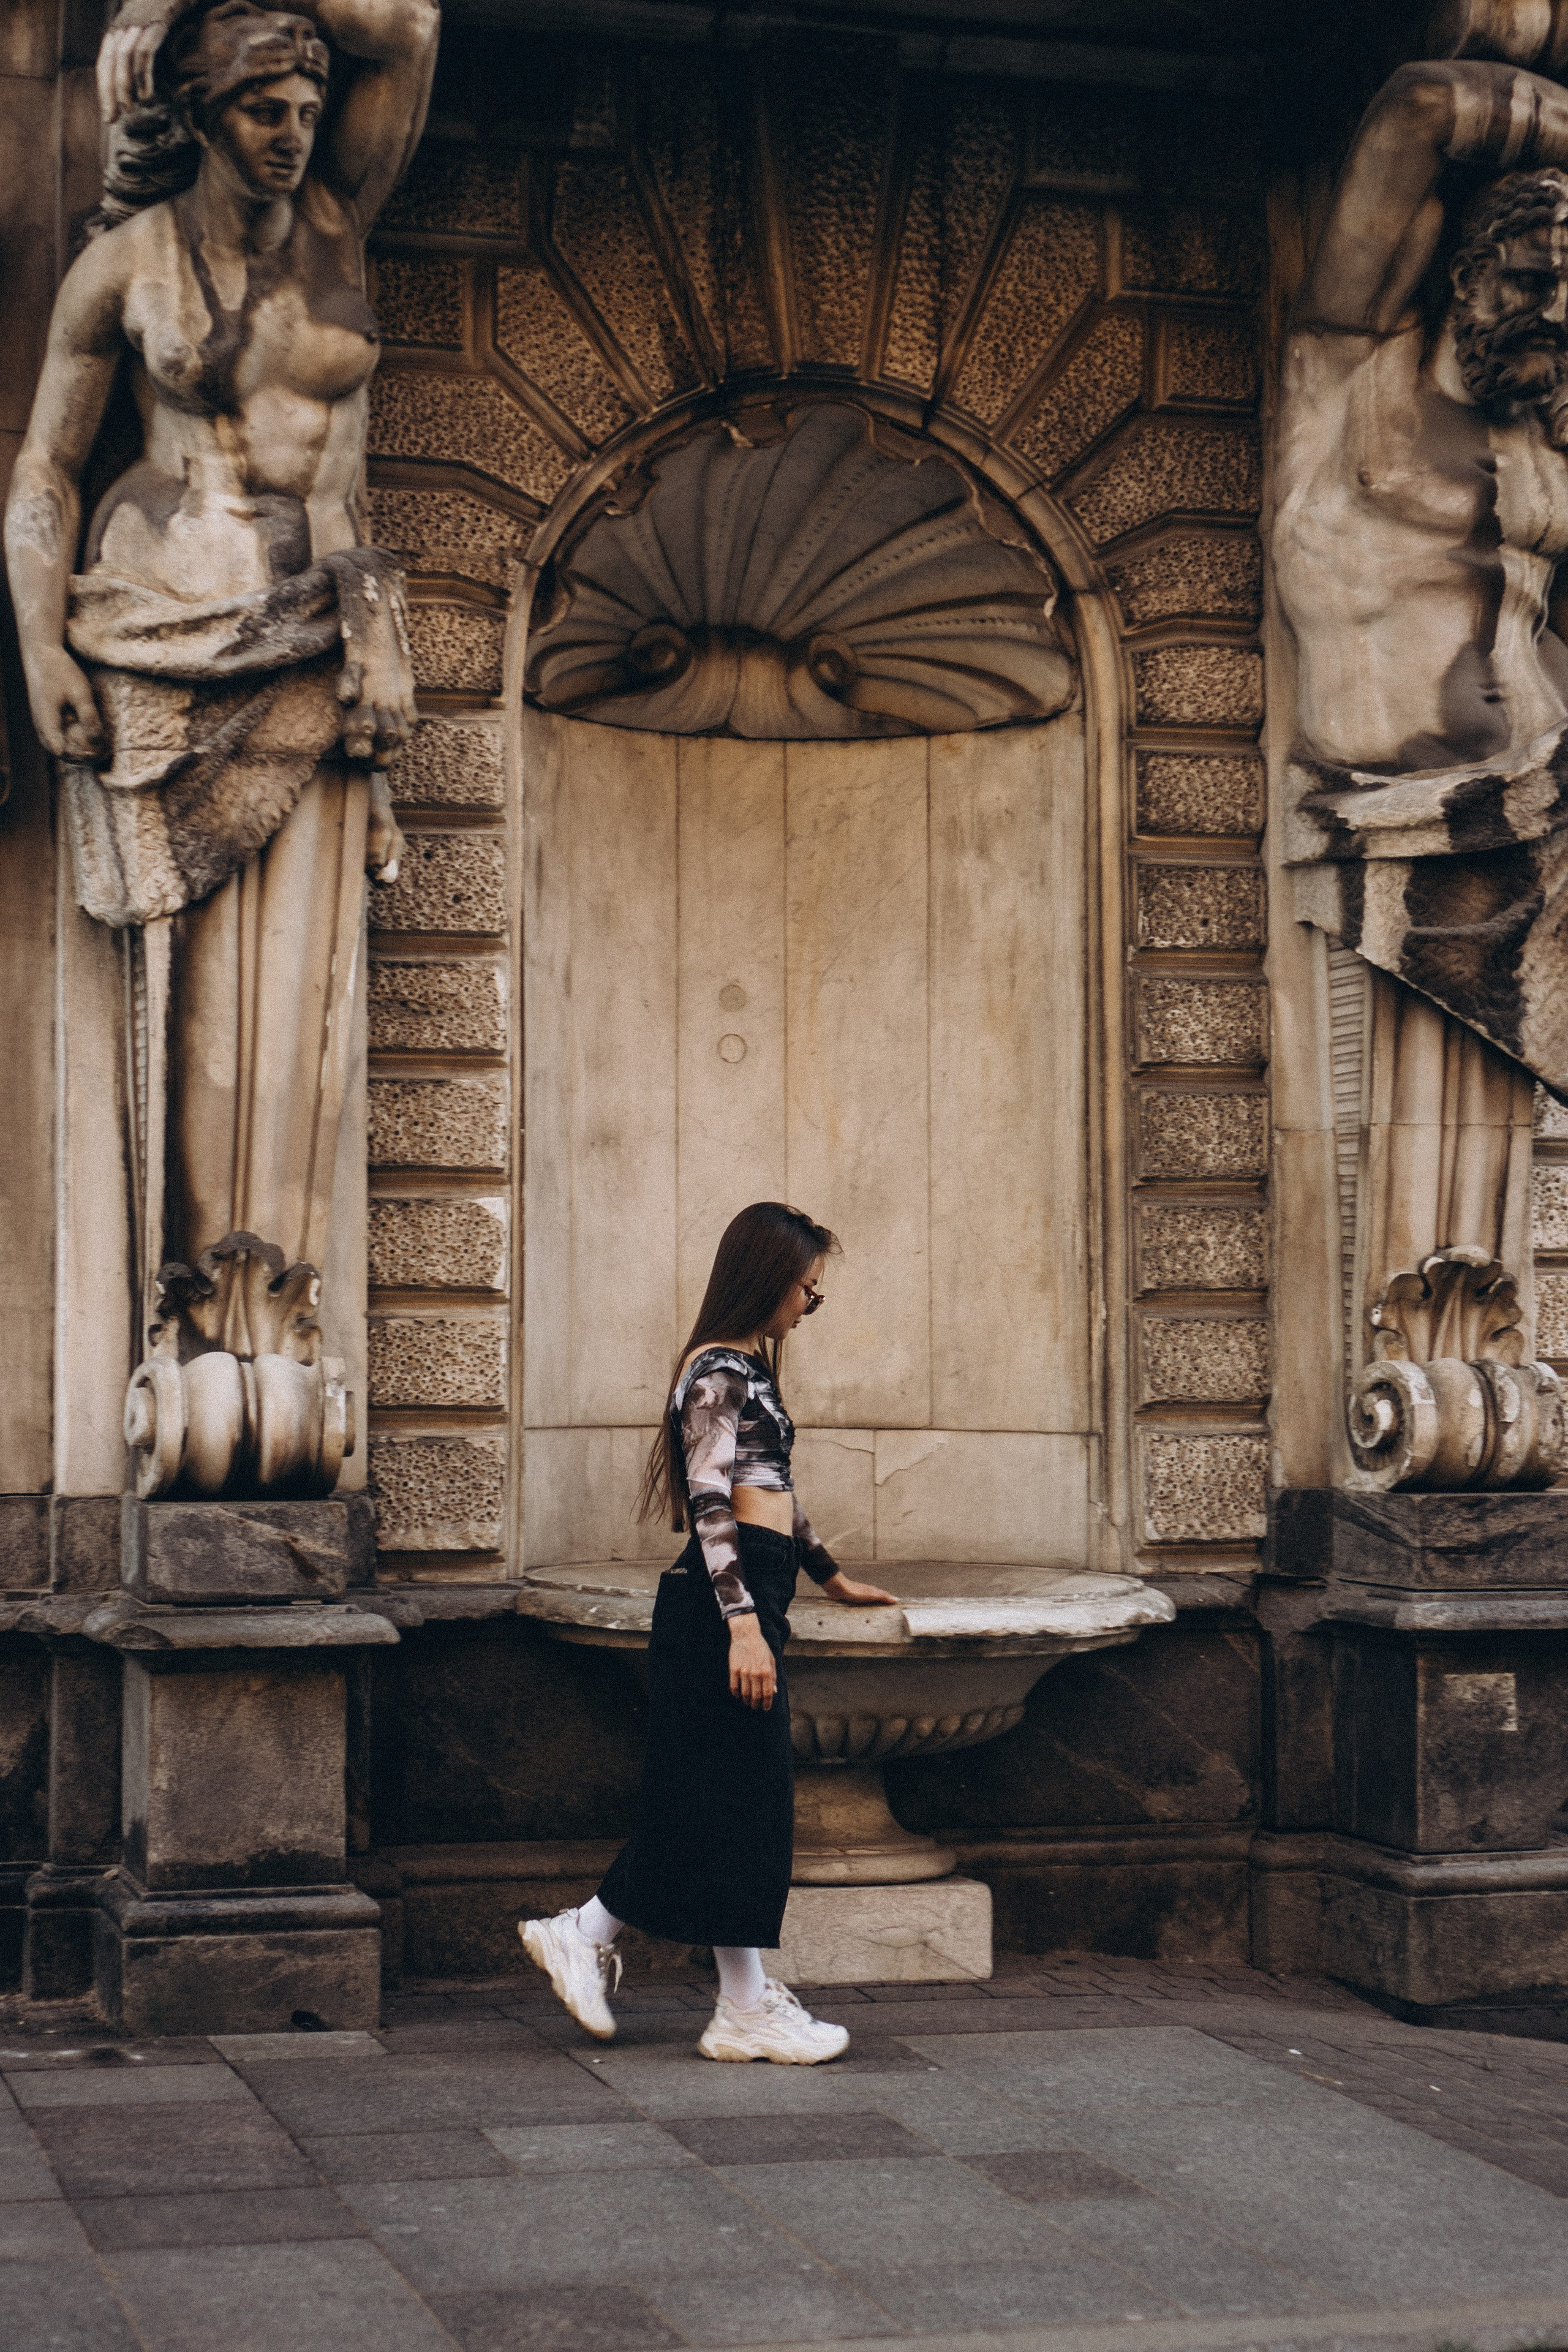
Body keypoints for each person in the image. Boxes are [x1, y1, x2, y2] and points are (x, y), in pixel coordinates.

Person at [4, 0, 435, 1494]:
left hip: (321, 630)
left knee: (301, 1008)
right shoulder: (125, 264)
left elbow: (410, 25)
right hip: (161, 630)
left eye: (307, 104)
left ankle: (272, 1316)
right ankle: (194, 1319)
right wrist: (40, 642)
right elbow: (46, 469)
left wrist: (168, 8)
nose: (295, 131)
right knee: (187, 999)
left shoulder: (341, 216)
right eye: (262, 106)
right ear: (194, 114)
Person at [520, 1202, 899, 2064]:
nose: (809, 1305)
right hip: (723, 1606)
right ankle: (615, 1945)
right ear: (768, 1280)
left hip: (745, 1595)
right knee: (738, 1804)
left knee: (729, 1804)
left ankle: (732, 2000)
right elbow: (710, 1503)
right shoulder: (719, 1373)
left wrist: (829, 1575)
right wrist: (745, 1628)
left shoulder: (742, 1369)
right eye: (806, 1288)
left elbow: (776, 1491)